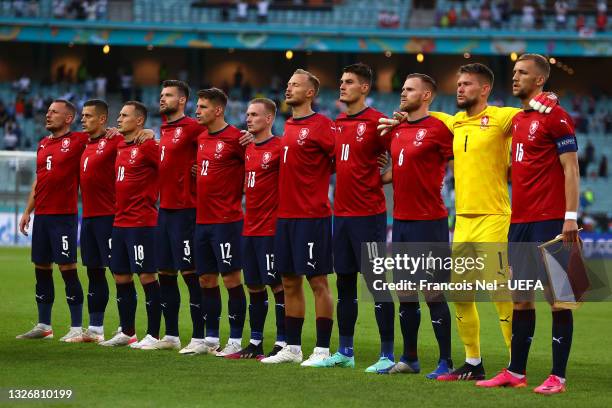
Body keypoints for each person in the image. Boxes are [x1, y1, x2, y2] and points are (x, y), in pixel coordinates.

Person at [476, 53, 580, 395]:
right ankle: (516, 372)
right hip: (518, 222)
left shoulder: (556, 117)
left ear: (540, 80)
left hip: (551, 220)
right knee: (520, 298)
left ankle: (558, 377)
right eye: (515, 71)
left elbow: (571, 168)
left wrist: (570, 218)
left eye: (523, 72)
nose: (515, 76)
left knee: (560, 299)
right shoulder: (519, 120)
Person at [309, 63, 391, 371]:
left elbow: (399, 151)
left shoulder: (377, 122)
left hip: (368, 215)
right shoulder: (338, 123)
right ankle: (345, 351)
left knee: (377, 284)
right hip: (340, 216)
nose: (342, 86)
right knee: (344, 283)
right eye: (341, 81)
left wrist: (385, 177)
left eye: (349, 82)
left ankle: (387, 355)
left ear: (364, 88)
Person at [377, 74, 454, 379]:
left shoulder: (438, 129)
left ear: (426, 96)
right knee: (406, 293)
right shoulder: (397, 131)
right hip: (402, 222)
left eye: (409, 89)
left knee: (433, 293)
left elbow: (462, 157)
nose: (402, 93)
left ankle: (446, 360)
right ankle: (410, 358)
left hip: (430, 222)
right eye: (402, 88)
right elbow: (392, 170)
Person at [260, 69, 335, 365]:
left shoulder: (322, 125)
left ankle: (323, 349)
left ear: (310, 93)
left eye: (295, 85)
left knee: (318, 282)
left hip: (311, 216)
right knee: (289, 281)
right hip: (286, 216)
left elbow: (340, 159)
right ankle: (292, 347)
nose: (288, 88)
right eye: (288, 83)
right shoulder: (288, 125)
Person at [17, 100, 89, 341]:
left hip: (64, 217)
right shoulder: (43, 144)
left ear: (69, 118)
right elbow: (39, 181)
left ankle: (77, 327)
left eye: (54, 112)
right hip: (43, 218)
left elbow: (106, 138)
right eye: (47, 111)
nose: (47, 115)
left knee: (68, 269)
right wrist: (28, 211)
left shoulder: (79, 141)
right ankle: (44, 325)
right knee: (41, 269)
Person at [144, 80, 204, 352]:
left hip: (186, 211)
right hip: (164, 210)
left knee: (191, 274)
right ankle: (171, 335)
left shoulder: (194, 127)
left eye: (167, 95)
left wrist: (202, 167)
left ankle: (201, 337)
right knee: (166, 273)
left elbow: (219, 142)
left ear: (181, 101)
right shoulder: (165, 130)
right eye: (161, 94)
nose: (161, 99)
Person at [225, 98, 286, 359]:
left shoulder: (280, 147)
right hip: (248, 228)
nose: (248, 119)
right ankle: (256, 341)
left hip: (271, 230)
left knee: (277, 286)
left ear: (269, 118)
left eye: (254, 115)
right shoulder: (246, 147)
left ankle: (283, 342)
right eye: (248, 114)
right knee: (254, 286)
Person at [99, 101, 161, 348]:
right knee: (121, 277)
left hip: (142, 222)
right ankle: (127, 331)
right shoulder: (120, 146)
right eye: (119, 114)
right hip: (120, 221)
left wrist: (153, 135)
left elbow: (168, 165)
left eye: (124, 115)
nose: (119, 118)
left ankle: (154, 335)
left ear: (139, 121)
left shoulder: (148, 146)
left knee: (147, 276)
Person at [192, 88, 247, 357]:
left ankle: (235, 339)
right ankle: (211, 338)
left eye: (202, 107)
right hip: (202, 220)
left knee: (231, 279)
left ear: (218, 110)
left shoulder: (237, 138)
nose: (197, 111)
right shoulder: (201, 137)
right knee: (205, 279)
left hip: (227, 221)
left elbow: (258, 164)